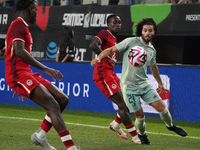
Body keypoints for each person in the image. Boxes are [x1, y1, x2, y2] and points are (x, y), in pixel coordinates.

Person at [91, 18, 187, 145]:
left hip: (144, 85)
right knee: (140, 116)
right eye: (145, 30)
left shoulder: (152, 50)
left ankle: (170, 126)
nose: (147, 33)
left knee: (163, 108)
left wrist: (160, 83)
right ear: (141, 31)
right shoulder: (131, 42)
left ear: (154, 32)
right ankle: (142, 136)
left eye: (150, 31)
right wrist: (99, 58)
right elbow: (111, 50)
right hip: (129, 87)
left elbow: (153, 67)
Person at [5, 0, 78, 150]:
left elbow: (14, 53)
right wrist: (45, 68)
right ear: (31, 10)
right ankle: (71, 148)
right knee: (52, 105)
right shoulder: (18, 24)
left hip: (25, 73)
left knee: (63, 100)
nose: (37, 15)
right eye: (36, 12)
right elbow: (19, 52)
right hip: (18, 74)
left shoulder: (23, 27)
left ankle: (40, 136)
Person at [89, 14, 141, 144]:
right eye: (115, 22)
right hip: (102, 74)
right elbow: (93, 45)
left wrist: (112, 59)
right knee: (122, 104)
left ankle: (115, 124)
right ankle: (135, 136)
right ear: (108, 24)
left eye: (120, 22)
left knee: (128, 101)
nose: (118, 25)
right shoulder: (104, 33)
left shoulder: (113, 39)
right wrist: (109, 58)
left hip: (110, 73)